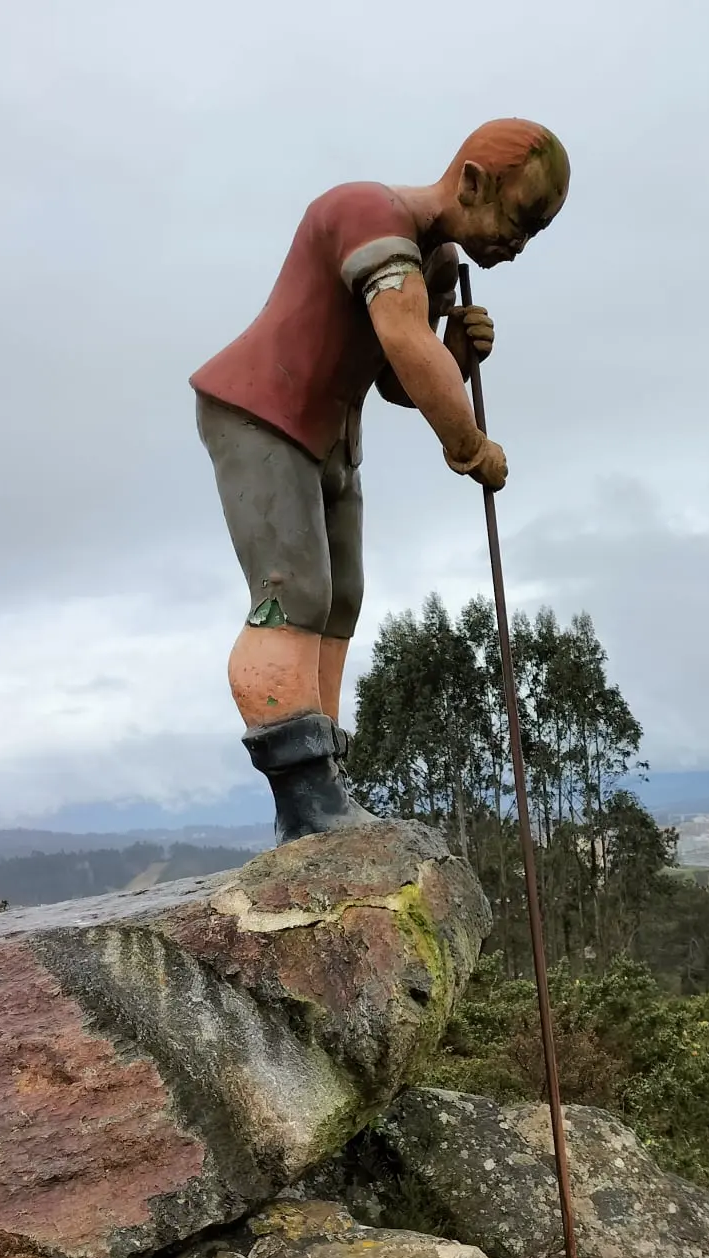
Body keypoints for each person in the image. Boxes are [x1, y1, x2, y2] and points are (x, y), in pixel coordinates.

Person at [191, 119, 569, 843]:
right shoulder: (369, 214)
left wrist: (452, 351)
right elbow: (401, 337)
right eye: (516, 222)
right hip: (261, 413)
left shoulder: (435, 260)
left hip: (331, 435)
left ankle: (325, 779)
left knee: (342, 601)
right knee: (292, 593)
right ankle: (304, 795)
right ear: (471, 184)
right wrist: (470, 445)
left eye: (531, 237)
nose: (515, 248)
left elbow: (400, 378)